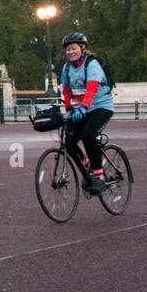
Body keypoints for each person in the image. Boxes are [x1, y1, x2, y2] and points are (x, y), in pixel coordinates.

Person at [58, 32, 113, 193]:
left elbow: (92, 89)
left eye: (74, 49)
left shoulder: (92, 64)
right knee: (68, 141)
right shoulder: (67, 67)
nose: (70, 52)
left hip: (100, 106)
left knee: (88, 136)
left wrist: (83, 107)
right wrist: (69, 109)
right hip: (80, 109)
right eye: (68, 49)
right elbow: (67, 90)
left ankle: (100, 176)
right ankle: (87, 164)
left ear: (82, 49)